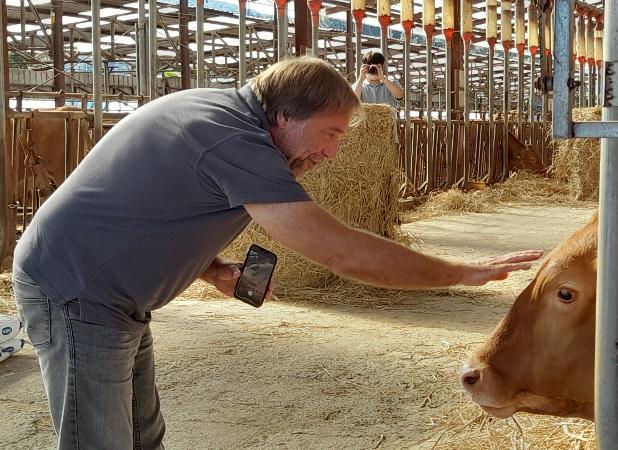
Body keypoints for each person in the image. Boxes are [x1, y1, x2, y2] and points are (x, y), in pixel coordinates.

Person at [12, 56, 542, 449]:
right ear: (286, 115)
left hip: (112, 295)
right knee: (99, 441)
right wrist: (462, 271)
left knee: (141, 436)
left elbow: (154, 214)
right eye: (331, 133)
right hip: (77, 289)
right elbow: (340, 252)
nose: (333, 153)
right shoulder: (232, 139)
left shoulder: (224, 117)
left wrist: (216, 270)